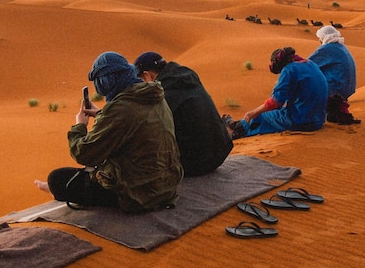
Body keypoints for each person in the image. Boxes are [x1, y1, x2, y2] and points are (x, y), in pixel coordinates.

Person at [35, 51, 183, 213]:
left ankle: (54, 190)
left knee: (57, 179)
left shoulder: (120, 109)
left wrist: (80, 126)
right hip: (167, 186)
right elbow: (134, 124)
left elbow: (84, 154)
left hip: (138, 194)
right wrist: (102, 115)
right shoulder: (155, 96)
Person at [134, 52, 233, 176]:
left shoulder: (162, 93)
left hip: (197, 164)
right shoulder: (187, 78)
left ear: (147, 76)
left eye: (140, 80)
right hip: (220, 153)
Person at [223, 47, 328, 139]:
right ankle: (236, 124)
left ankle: (237, 132)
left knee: (261, 116)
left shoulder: (289, 70)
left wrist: (252, 113)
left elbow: (275, 103)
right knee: (271, 114)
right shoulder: (310, 64)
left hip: (302, 121)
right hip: (318, 120)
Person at [308, 25, 361, 125]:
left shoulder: (327, 49)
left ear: (325, 37)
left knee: (305, 80)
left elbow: (307, 65)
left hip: (337, 89)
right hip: (346, 89)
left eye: (320, 38)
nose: (319, 41)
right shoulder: (341, 47)